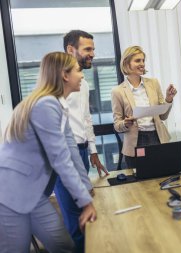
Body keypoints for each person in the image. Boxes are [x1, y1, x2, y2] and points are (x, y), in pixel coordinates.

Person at [0, 52, 96, 252]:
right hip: (9, 195)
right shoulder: (46, 105)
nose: (83, 75)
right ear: (64, 75)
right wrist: (85, 202)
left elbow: (72, 152)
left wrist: (86, 188)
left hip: (33, 194)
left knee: (63, 244)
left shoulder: (59, 106)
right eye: (78, 71)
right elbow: (60, 159)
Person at [54, 30, 108, 253]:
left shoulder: (82, 83)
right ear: (70, 50)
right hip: (65, 154)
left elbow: (86, 119)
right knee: (76, 220)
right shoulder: (56, 83)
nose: (92, 54)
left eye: (93, 49)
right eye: (88, 49)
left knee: (87, 216)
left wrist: (93, 151)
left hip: (83, 151)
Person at [112, 46, 177, 168]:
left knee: (162, 175)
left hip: (157, 138)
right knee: (140, 183)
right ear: (126, 63)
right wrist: (125, 123)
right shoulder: (118, 91)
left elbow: (163, 116)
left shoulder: (153, 83)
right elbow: (117, 125)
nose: (142, 64)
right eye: (137, 61)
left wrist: (169, 98)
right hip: (136, 142)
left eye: (143, 60)